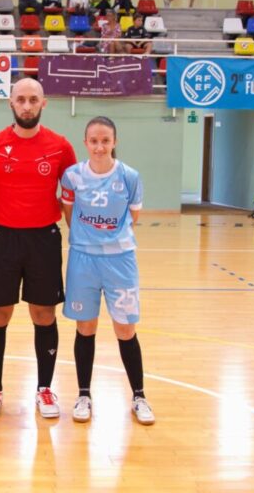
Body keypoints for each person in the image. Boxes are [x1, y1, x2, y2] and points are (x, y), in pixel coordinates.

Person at [0, 78, 77, 419]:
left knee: (43, 314)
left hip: (43, 239)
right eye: (21, 99)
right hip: (3, 238)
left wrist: (79, 233)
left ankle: (45, 389)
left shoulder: (61, 146)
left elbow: (74, 193)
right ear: (11, 103)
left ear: (44, 103)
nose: (27, 105)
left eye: (34, 99)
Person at [60, 116, 154, 426]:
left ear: (114, 142)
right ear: (85, 143)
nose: (99, 147)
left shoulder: (129, 176)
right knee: (85, 328)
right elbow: (69, 214)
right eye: (94, 141)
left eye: (105, 140)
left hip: (120, 261)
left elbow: (134, 216)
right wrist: (89, 237)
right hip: (83, 260)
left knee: (125, 329)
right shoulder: (72, 176)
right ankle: (84, 394)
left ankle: (139, 395)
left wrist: (108, 235)